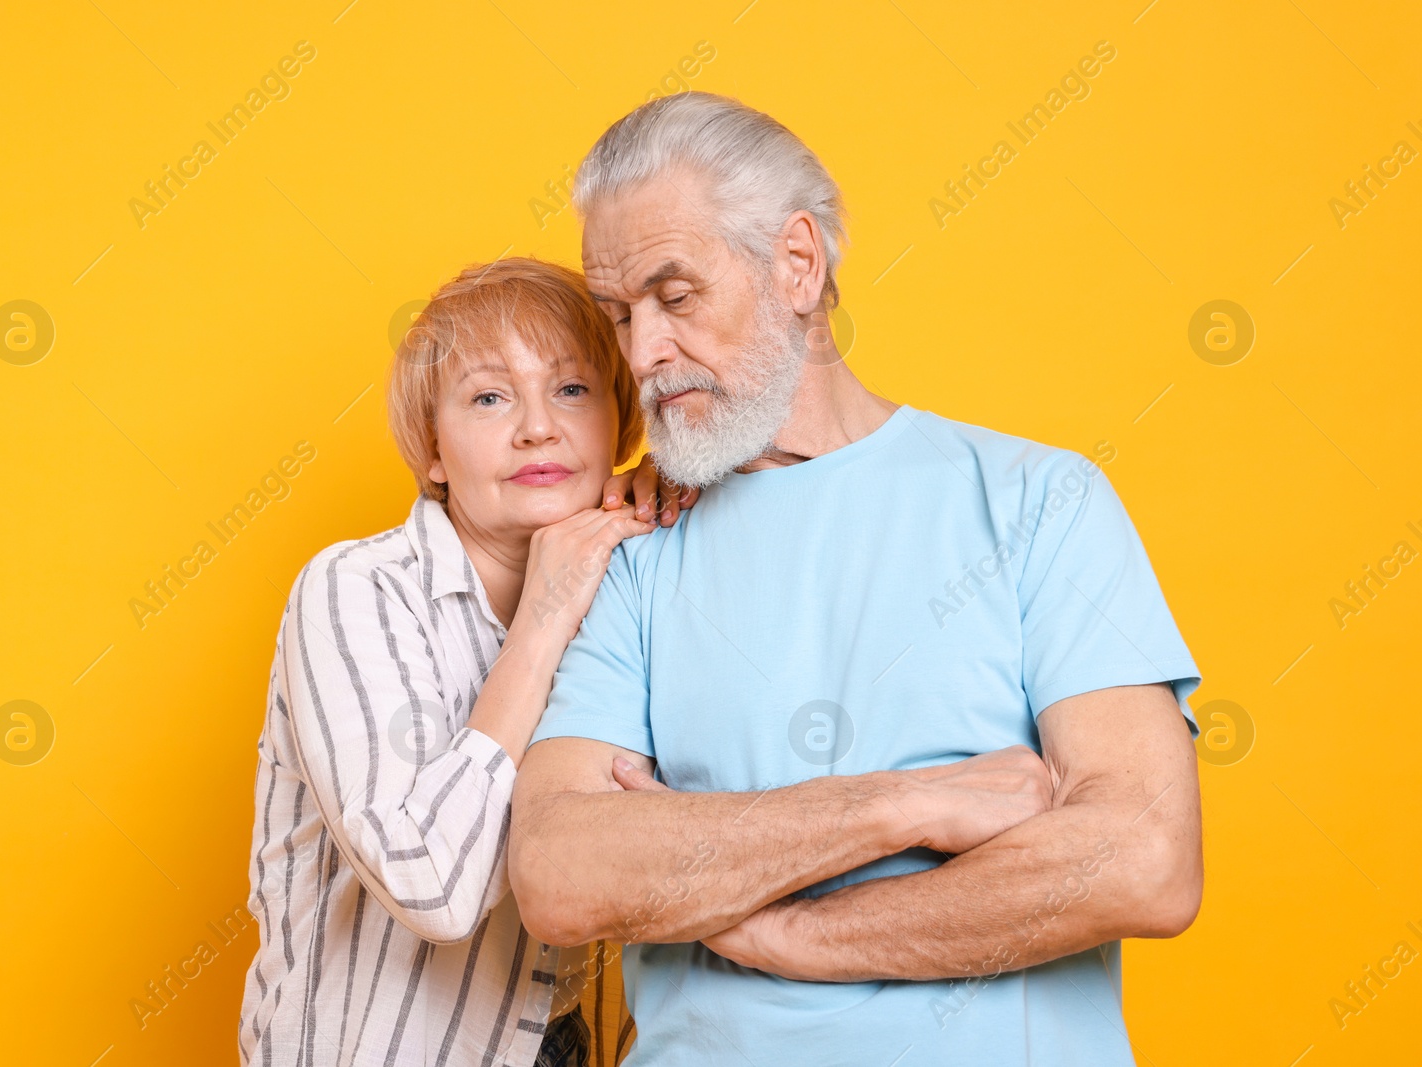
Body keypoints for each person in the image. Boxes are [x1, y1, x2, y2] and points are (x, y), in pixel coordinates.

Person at [509, 92, 1204, 1066]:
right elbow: (562, 869)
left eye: (675, 297)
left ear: (797, 262)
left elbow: (1141, 857)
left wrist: (792, 935)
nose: (640, 353)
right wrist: (904, 805)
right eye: (619, 314)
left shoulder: (1036, 500)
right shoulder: (631, 541)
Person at [238, 257, 698, 1067]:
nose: (536, 428)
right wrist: (546, 613)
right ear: (434, 449)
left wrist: (694, 493)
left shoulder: (636, 588)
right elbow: (435, 887)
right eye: (489, 397)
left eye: (573, 390)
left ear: (620, 425)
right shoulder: (357, 589)